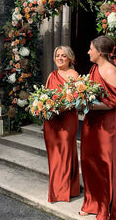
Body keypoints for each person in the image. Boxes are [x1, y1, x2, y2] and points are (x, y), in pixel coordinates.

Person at [79, 36, 116, 220]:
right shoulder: (94, 68)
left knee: (103, 164)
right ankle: (91, 203)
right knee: (89, 162)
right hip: (91, 121)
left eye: (91, 49)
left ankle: (104, 208)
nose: (88, 52)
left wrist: (88, 105)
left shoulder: (110, 70)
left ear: (99, 51)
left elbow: (115, 102)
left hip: (105, 123)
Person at [43, 45, 80, 203]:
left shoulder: (73, 75)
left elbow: (76, 100)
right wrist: (42, 106)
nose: (60, 58)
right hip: (51, 121)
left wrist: (58, 108)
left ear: (70, 58)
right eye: (57, 55)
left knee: (64, 153)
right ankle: (61, 188)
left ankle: (61, 191)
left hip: (67, 120)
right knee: (53, 155)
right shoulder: (51, 75)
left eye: (63, 56)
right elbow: (44, 96)